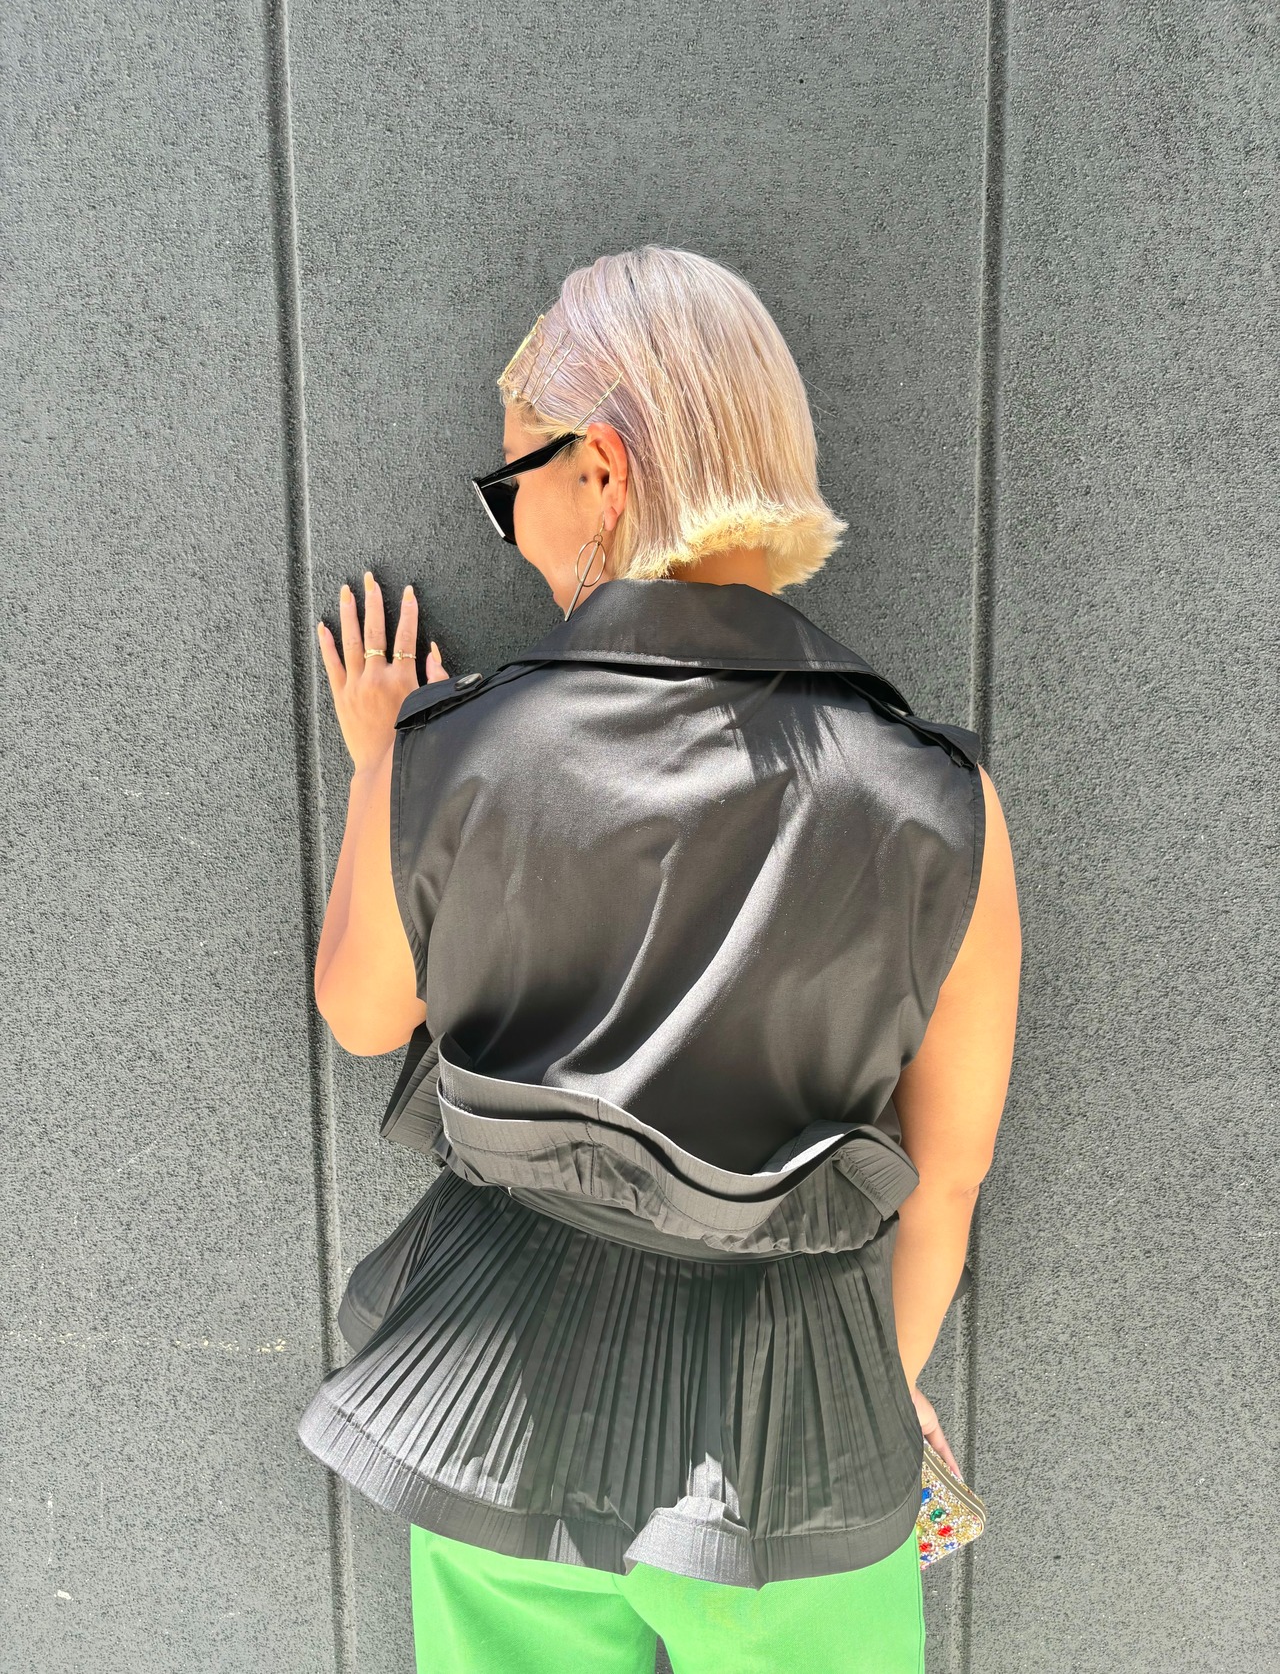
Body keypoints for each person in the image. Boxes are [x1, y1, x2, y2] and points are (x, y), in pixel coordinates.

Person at [299, 246, 1021, 1674]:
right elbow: (947, 1176)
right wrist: (867, 1401)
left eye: (513, 481)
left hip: (497, 1433)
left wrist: (385, 765)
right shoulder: (942, 802)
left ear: (605, 471)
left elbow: (366, 1012)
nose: (512, 525)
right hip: (792, 1464)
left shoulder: (458, 753)